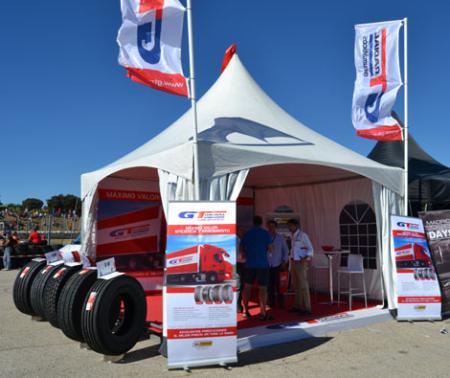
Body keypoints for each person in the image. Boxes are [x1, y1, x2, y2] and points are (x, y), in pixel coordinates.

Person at [240, 215, 273, 320]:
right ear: (261, 223)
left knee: (247, 287)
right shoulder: (265, 233)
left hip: (249, 264)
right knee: (263, 289)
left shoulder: (248, 233)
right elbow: (271, 248)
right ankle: (263, 312)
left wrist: (245, 254)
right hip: (262, 264)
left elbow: (241, 247)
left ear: (253, 223)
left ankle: (245, 311)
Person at [287, 218, 314, 315]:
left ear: (296, 226)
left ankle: (307, 307)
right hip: (294, 262)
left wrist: (306, 258)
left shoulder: (303, 235)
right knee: (296, 285)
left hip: (301, 262)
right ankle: (297, 306)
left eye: (291, 225)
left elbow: (310, 249)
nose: (289, 227)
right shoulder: (291, 235)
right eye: (289, 226)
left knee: (303, 285)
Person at [267, 220, 289, 308]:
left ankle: (281, 303)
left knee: (280, 285)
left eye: (273, 226)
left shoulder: (280, 238)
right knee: (269, 285)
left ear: (276, 227)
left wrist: (284, 261)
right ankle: (271, 302)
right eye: (269, 226)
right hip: (267, 264)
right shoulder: (265, 237)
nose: (271, 228)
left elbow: (286, 250)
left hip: (278, 264)